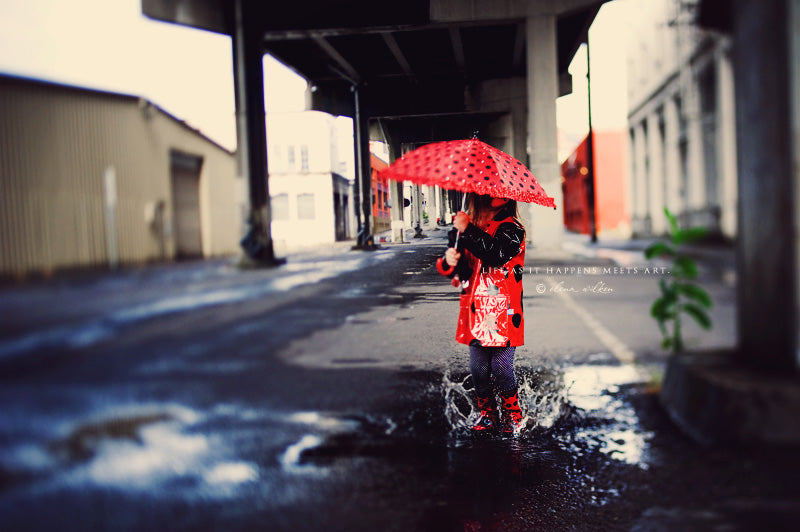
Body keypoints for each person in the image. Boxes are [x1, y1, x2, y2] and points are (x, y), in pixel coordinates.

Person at [439, 193, 526, 436]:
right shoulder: (464, 228)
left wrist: (467, 230)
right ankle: (487, 412)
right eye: (490, 188)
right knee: (478, 368)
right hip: (476, 309)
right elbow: (461, 271)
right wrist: (449, 261)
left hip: (505, 310)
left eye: (502, 189)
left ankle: (513, 413)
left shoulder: (512, 228)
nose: (496, 193)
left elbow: (495, 255)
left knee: (501, 367)